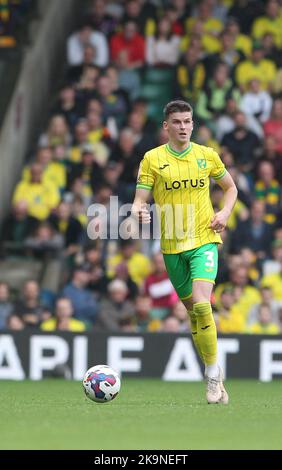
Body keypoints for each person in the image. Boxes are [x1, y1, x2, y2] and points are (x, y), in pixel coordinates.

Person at [131, 100, 238, 404]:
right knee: (194, 313)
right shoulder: (152, 159)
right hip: (172, 246)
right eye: (176, 122)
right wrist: (138, 211)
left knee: (203, 306)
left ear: (193, 124)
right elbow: (140, 199)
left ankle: (213, 376)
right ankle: (213, 370)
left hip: (204, 239)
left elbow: (231, 188)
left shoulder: (207, 155)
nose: (183, 127)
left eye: (187, 121)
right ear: (166, 126)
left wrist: (225, 213)